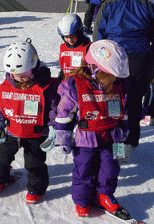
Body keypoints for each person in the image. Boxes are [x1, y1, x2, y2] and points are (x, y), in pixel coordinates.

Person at [55, 40, 130, 218]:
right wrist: (63, 136)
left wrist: (124, 134)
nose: (112, 80)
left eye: (114, 76)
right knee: (84, 168)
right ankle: (82, 198)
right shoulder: (75, 87)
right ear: (93, 69)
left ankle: (104, 194)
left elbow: (122, 112)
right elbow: (64, 113)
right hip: (85, 139)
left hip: (112, 137)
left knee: (111, 167)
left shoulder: (119, 85)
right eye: (108, 75)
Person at [0, 39, 60, 204]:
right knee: (1, 157)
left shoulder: (46, 87)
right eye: (15, 75)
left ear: (34, 68)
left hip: (36, 133)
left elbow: (54, 109)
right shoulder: (9, 84)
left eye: (24, 75)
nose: (20, 79)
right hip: (12, 131)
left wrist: (54, 128)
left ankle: (36, 188)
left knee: (34, 163)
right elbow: (3, 103)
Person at [93, 0, 154, 148]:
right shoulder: (149, 5)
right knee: (133, 102)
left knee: (114, 102)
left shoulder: (108, 4)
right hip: (140, 60)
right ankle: (128, 143)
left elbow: (98, 35)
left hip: (114, 58)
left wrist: (100, 62)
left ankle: (114, 143)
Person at [57, 14, 92, 82]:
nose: (70, 40)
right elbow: (63, 65)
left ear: (79, 33)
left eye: (72, 36)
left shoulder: (87, 47)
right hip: (66, 84)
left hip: (82, 84)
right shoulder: (63, 47)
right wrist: (61, 75)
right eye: (66, 37)